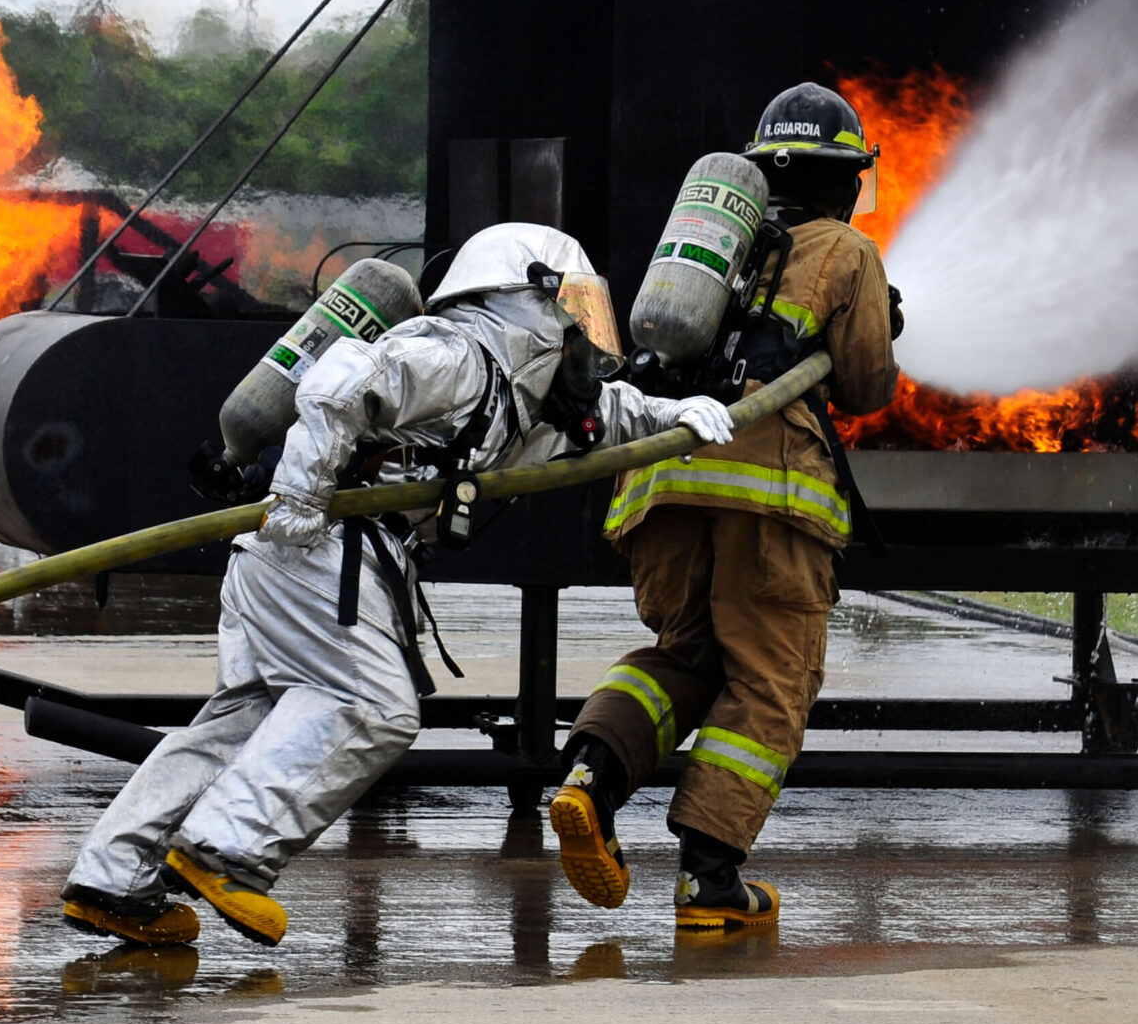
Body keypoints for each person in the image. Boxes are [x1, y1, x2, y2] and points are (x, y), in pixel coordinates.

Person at [59, 222, 735, 949]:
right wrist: (301, 496)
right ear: (529, 303)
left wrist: (676, 417)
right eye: (575, 309)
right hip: (320, 549)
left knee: (242, 721)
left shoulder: (515, 399)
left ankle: (114, 877)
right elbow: (339, 379)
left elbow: (608, 420)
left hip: (284, 556)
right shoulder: (461, 356)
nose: (586, 336)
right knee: (374, 704)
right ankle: (226, 849)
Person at [548, 82, 902, 930]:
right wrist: (881, 320)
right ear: (845, 179)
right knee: (772, 682)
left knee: (685, 653)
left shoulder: (709, 250)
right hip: (770, 494)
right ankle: (710, 880)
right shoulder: (845, 252)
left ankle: (591, 780)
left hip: (663, 477)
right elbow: (864, 386)